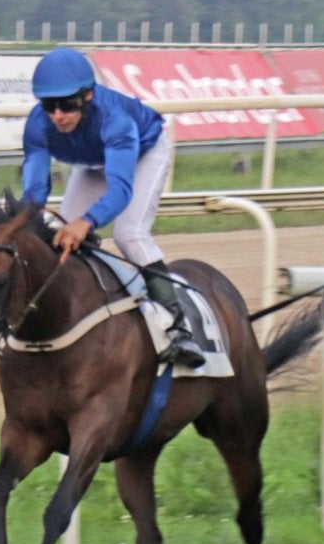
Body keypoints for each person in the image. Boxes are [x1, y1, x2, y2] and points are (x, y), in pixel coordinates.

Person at [21, 47, 204, 368]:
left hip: (143, 154)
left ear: (88, 95)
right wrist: (25, 220)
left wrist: (87, 222)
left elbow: (120, 190)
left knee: (129, 233)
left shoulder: (115, 119)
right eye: (49, 105)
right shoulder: (37, 124)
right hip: (91, 164)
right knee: (59, 234)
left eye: (67, 104)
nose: (58, 115)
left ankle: (178, 327)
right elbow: (35, 191)